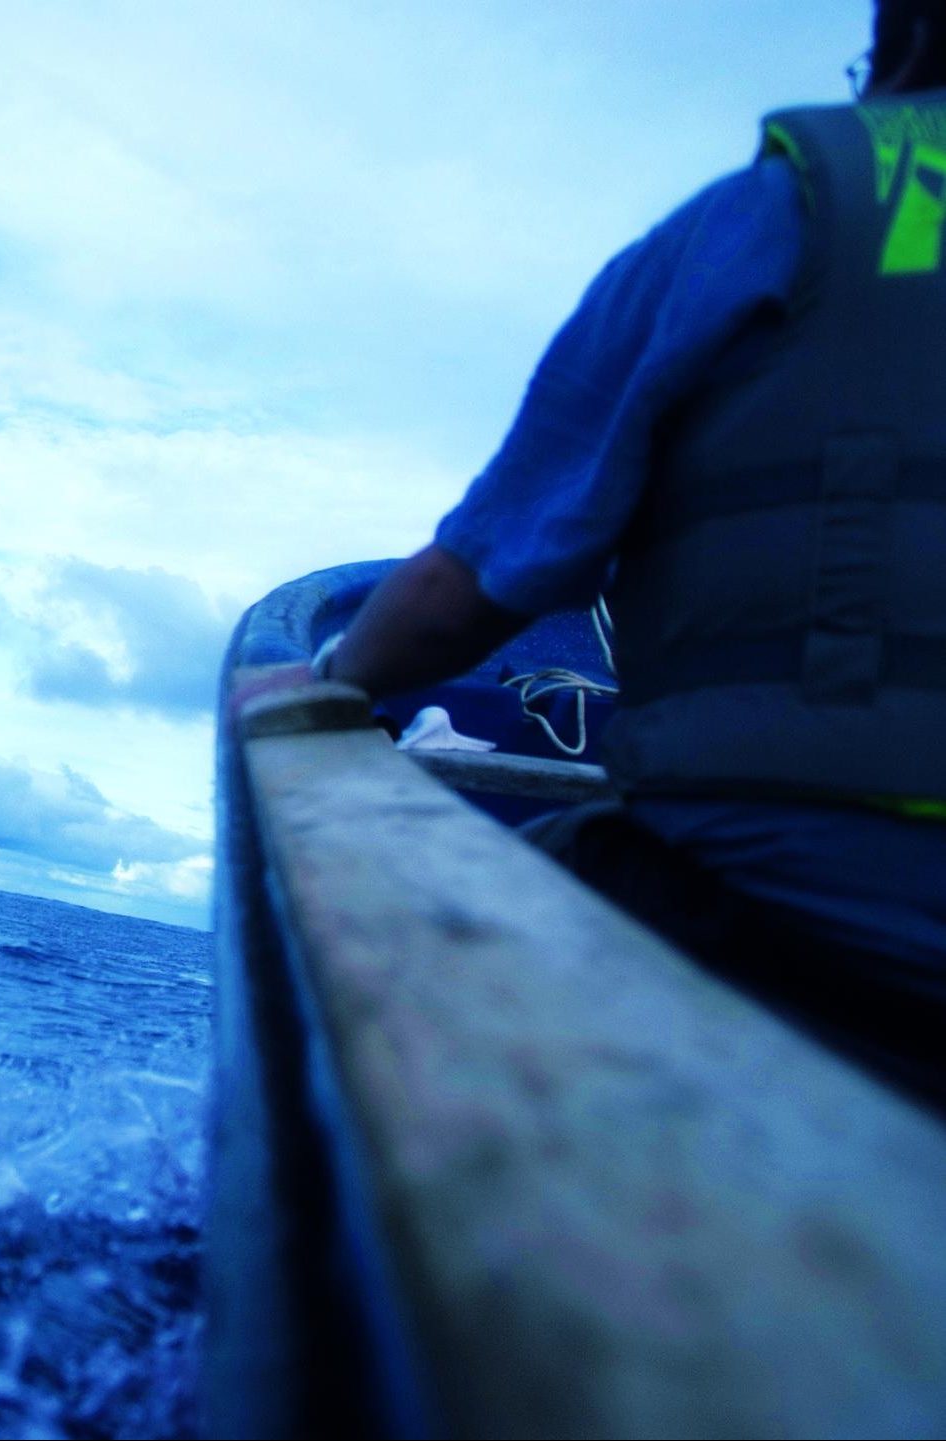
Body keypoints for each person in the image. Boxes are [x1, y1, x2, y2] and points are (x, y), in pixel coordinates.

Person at [323, 0, 946, 1106]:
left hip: (765, 908)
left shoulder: (786, 210)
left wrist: (324, 688)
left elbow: (463, 591)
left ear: (898, 47)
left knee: (413, 970)